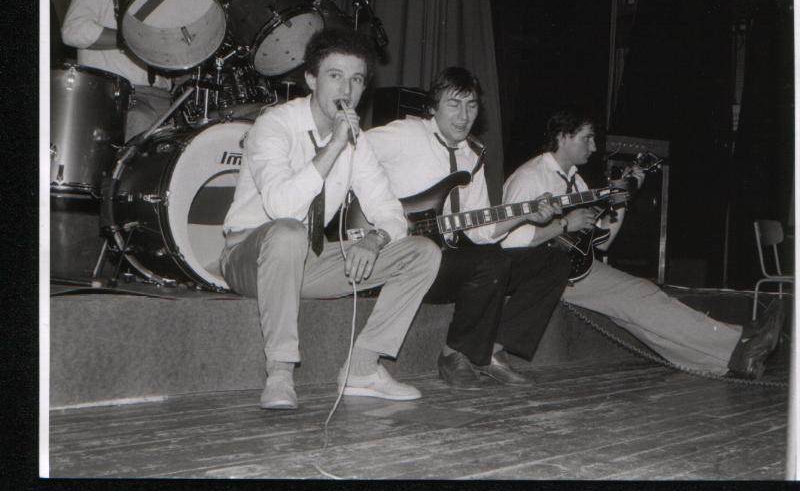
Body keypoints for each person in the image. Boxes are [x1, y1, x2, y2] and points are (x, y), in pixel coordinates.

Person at [220, 29, 441, 410]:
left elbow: (390, 212)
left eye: (356, 79)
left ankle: (362, 368)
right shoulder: (274, 125)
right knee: (288, 232)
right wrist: (335, 145)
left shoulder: (358, 142)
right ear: (311, 79)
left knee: (423, 252)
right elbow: (283, 208)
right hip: (249, 257)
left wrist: (374, 239)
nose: (346, 89)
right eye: (335, 76)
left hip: (308, 260)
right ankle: (280, 373)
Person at [501, 110, 785, 379]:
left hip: (571, 267)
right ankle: (739, 340)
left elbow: (602, 242)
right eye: (587, 138)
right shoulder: (529, 177)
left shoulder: (577, 182)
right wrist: (564, 224)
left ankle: (731, 359)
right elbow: (508, 242)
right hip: (542, 272)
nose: (594, 147)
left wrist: (621, 201)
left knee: (638, 308)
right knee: (641, 295)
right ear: (563, 136)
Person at [364, 67, 571, 388]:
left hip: (445, 262)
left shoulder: (472, 156)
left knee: (552, 262)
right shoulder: (406, 134)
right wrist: (369, 211)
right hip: (401, 258)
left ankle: (490, 351)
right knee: (491, 262)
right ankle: (454, 355)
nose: (463, 116)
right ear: (433, 107)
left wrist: (526, 214)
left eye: (471, 105)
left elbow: (479, 229)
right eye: (454, 104)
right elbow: (349, 153)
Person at [61, 0, 172, 140]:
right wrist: (130, 39)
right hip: (115, 95)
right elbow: (73, 30)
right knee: (140, 123)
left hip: (163, 98)